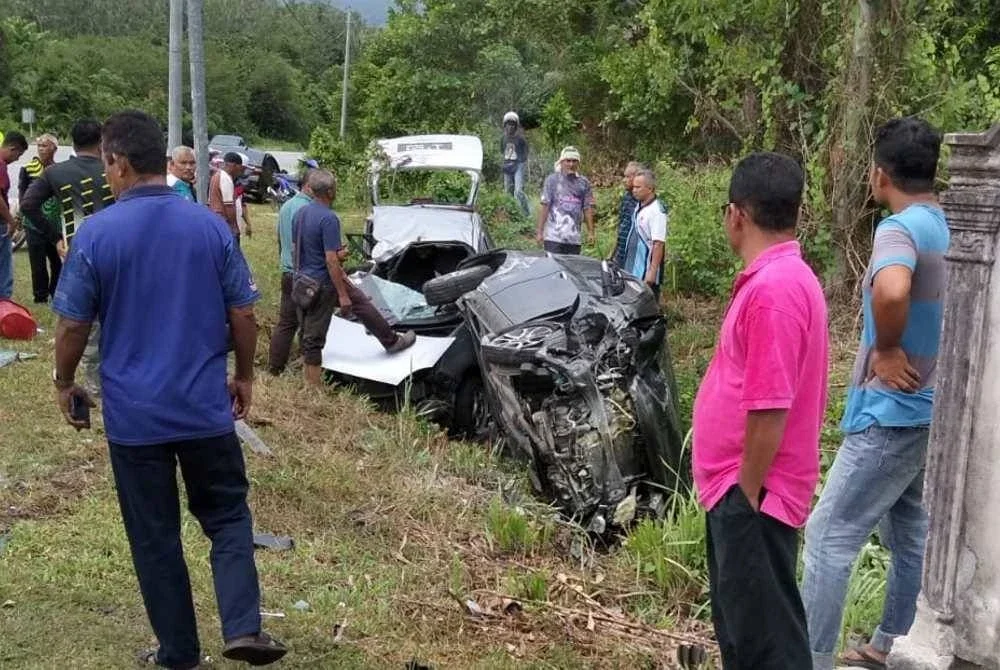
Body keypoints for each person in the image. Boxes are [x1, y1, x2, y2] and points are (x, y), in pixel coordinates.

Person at [52, 109, 287, 669]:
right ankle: (243, 626)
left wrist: (64, 382)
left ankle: (178, 652)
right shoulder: (208, 226)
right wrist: (246, 375)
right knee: (228, 516)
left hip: (136, 422)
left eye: (106, 165)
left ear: (119, 163)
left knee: (155, 536)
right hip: (205, 409)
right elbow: (245, 314)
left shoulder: (97, 234)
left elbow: (70, 325)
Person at [802, 117, 948, 670]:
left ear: (879, 174)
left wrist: (886, 348)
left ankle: (810, 658)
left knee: (827, 535)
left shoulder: (899, 229)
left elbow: (891, 288)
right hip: (933, 409)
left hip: (893, 413)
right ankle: (892, 644)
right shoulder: (952, 225)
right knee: (909, 528)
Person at [692, 152, 828, 669]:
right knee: (746, 633)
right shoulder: (778, 279)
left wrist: (746, 493)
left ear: (737, 214)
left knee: (766, 646)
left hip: (754, 495)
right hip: (742, 491)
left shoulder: (775, 291)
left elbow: (770, 407)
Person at [292, 169, 416, 386]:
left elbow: (297, 248)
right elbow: (331, 260)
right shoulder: (328, 218)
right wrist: (341, 294)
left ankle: (391, 340)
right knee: (315, 335)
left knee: (359, 301)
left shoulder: (301, 213)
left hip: (304, 277)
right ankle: (312, 387)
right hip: (324, 282)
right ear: (330, 191)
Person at [21, 119, 115, 397]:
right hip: (116, 249)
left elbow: (28, 205)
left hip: (76, 250)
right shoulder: (114, 170)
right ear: (101, 142)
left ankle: (94, 383)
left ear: (71, 143)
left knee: (83, 318)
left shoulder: (56, 172)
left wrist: (56, 238)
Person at [267, 173, 315, 375]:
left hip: (287, 271)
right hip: (304, 274)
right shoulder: (307, 209)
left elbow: (280, 239)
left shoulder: (286, 206)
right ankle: (306, 365)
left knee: (286, 322)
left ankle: (274, 367)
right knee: (309, 322)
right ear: (310, 187)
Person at [17, 133, 63, 303]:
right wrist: (22, 216)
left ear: (54, 148)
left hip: (54, 222)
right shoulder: (28, 169)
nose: (42, 149)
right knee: (37, 263)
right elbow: (23, 194)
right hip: (33, 222)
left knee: (57, 261)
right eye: (40, 146)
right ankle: (40, 296)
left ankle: (55, 291)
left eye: (46, 145)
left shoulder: (59, 170)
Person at [536, 146, 595, 255]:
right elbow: (545, 206)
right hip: (553, 238)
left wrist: (591, 232)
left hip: (574, 239)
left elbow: (587, 208)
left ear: (578, 163)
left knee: (571, 270)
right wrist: (540, 231)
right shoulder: (552, 180)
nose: (571, 164)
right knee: (553, 269)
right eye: (568, 161)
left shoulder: (583, 183)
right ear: (561, 162)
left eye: (574, 161)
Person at [623, 169, 669, 293]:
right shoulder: (640, 206)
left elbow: (658, 243)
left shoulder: (657, 211)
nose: (634, 190)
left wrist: (652, 272)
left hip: (645, 272)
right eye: (633, 187)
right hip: (633, 270)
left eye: (638, 187)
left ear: (649, 188)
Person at [0, 131, 29, 299]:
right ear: (12, 148)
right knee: (4, 270)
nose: (18, 159)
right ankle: (4, 307)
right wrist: (11, 221)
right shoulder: (1, 165)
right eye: (19, 154)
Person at [611, 161, 641, 268]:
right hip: (621, 253)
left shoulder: (643, 202)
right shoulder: (626, 198)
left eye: (628, 177)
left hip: (635, 254)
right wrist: (612, 254)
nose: (624, 180)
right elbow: (621, 227)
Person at [209, 152, 243, 245]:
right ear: (234, 165)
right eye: (240, 168)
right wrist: (234, 227)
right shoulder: (225, 178)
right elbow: (229, 206)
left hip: (217, 220)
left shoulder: (217, 175)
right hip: (224, 222)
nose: (240, 171)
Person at [500, 111, 530, 217]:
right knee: (508, 191)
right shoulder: (503, 138)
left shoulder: (520, 139)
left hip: (518, 166)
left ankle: (526, 214)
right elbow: (502, 151)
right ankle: (511, 215)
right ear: (505, 125)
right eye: (508, 124)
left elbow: (525, 152)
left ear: (516, 126)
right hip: (507, 165)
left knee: (518, 191)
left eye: (513, 124)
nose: (510, 127)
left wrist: (520, 163)